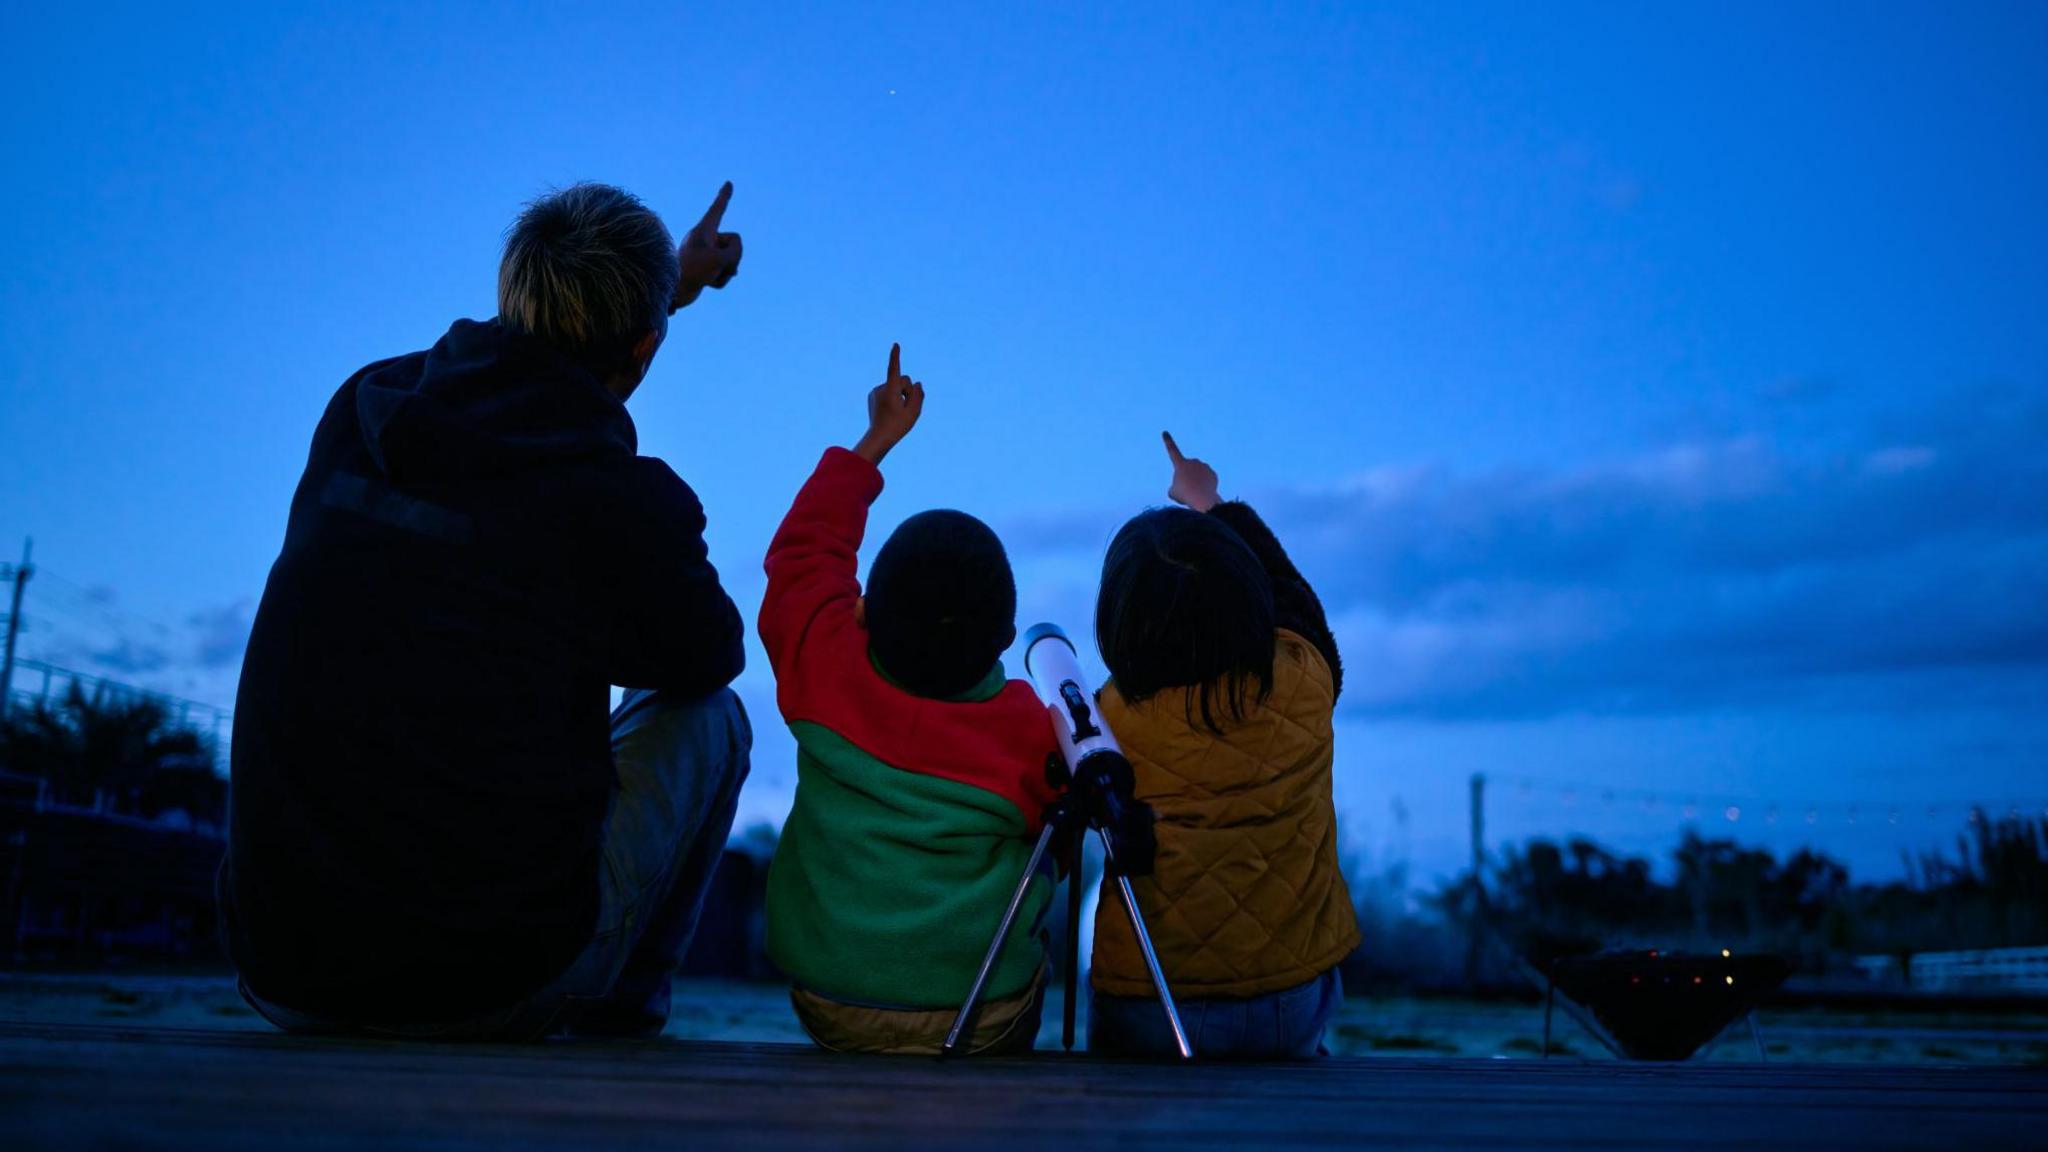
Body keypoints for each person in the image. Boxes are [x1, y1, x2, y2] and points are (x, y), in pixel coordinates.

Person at [222, 181, 751, 1040]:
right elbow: (708, 655)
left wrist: (669, 292)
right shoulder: (619, 504)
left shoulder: (366, 410)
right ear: (645, 349)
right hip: (489, 985)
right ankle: (616, 1012)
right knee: (713, 717)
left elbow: (535, 364)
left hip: (281, 969)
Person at [757, 346, 1060, 1055]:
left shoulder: (822, 663)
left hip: (831, 1002)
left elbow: (802, 555)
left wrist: (876, 442)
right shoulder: (1027, 728)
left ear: (862, 610)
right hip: (983, 1015)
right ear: (1006, 639)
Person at [1086, 432, 1360, 1059]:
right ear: (1249, 598)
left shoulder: (1108, 722)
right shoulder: (1305, 679)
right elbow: (1293, 594)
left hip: (1149, 1000)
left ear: (1121, 621)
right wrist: (1210, 504)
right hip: (1288, 1001)